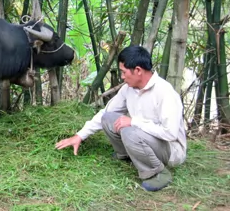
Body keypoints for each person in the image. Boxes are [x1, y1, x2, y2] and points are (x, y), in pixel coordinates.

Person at [55, 45, 187, 192]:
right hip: (144, 139)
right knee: (108, 118)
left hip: (171, 150)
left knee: (129, 131)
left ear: (137, 70)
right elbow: (106, 113)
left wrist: (134, 122)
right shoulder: (128, 89)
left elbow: (170, 133)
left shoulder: (164, 92)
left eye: (124, 72)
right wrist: (80, 135)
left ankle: (157, 172)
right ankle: (127, 155)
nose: (122, 77)